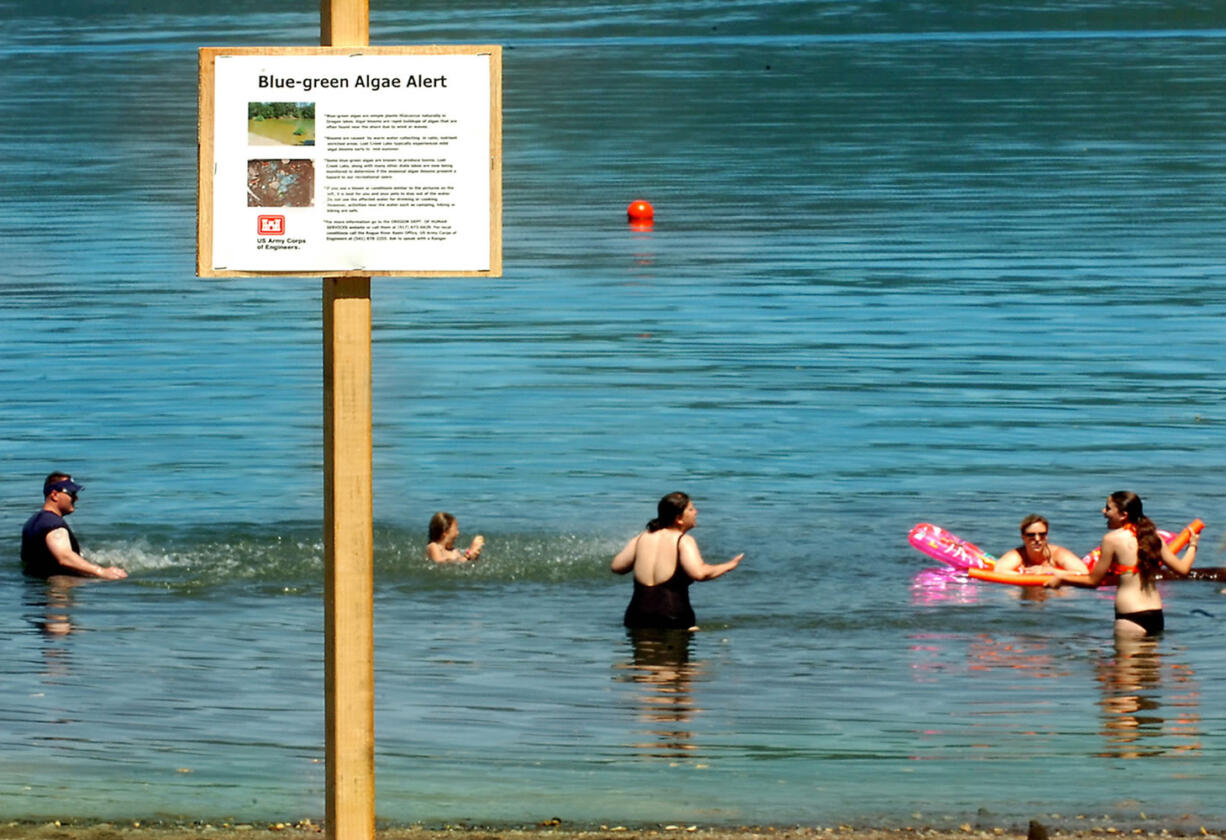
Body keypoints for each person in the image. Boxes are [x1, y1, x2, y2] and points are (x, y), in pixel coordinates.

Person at [1045, 491, 1197, 637]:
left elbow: (1093, 581)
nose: (1103, 511)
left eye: (1108, 508)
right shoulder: (1153, 538)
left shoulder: (1112, 540)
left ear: (1124, 515)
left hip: (1130, 617)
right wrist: (1192, 545)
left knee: (1120, 663)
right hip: (1156, 614)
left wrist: (1062, 579)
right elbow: (1183, 570)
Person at [611, 492, 743, 630]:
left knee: (643, 651)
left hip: (636, 617)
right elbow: (700, 573)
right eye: (691, 509)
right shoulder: (683, 541)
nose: (696, 512)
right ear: (679, 518)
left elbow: (616, 567)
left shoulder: (641, 538)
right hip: (672, 618)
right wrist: (729, 565)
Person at [20, 473, 128, 580]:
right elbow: (64, 557)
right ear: (54, 495)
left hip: (35, 588)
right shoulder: (53, 524)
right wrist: (102, 571)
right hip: (58, 588)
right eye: (72, 493)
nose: (76, 498)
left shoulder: (32, 522)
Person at [993, 514, 1089, 575]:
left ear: (1046, 536)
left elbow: (1083, 573)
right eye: (1031, 535)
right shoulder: (1018, 554)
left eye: (1042, 534)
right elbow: (999, 570)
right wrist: (1026, 574)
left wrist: (1049, 571)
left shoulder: (1057, 554)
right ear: (1023, 537)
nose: (1037, 539)